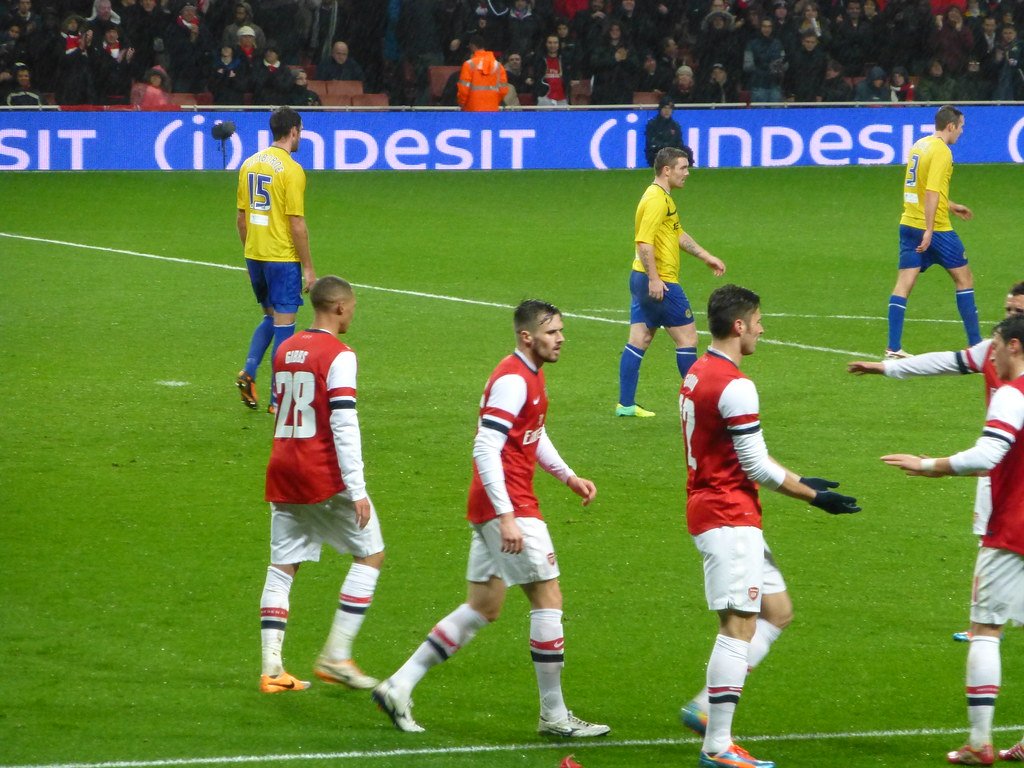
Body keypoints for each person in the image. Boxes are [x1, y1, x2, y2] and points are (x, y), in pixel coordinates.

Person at [371, 299, 610, 739]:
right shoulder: (514, 381)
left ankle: (397, 686)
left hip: (496, 504)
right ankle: (554, 716)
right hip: (510, 505)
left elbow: (531, 434)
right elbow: (485, 446)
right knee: (548, 599)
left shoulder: (527, 377)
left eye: (560, 330)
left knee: (484, 606)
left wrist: (568, 476)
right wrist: (507, 517)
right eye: (552, 332)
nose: (561, 338)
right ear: (527, 337)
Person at [678, 284, 860, 768]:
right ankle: (717, 745)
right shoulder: (737, 385)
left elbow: (740, 454)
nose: (761, 327)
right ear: (739, 325)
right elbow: (755, 467)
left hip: (715, 506)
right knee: (737, 626)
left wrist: (801, 478)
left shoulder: (698, 371)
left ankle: (703, 706)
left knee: (775, 611)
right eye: (757, 319)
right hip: (728, 514)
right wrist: (815, 497)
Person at [881, 313, 1024, 766]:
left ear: (1015, 347)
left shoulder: (1011, 396)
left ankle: (980, 741)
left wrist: (927, 466)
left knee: (985, 629)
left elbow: (987, 455)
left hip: (1013, 530)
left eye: (997, 347)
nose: (991, 356)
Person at [849, 282, 1024, 641]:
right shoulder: (995, 351)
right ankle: (988, 620)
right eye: (1008, 311)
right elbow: (947, 361)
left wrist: (933, 466)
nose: (1009, 319)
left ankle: (988, 626)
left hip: (1000, 459)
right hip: (999, 462)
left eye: (1017, 313)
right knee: (991, 533)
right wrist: (887, 368)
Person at [258, 275, 384, 694]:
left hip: (283, 467)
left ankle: (273, 670)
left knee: (282, 568)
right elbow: (344, 423)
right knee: (370, 554)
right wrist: (358, 487)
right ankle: (336, 655)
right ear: (340, 308)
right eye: (353, 306)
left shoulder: (286, 348)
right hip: (322, 474)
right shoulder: (340, 355)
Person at [616, 146, 726, 418]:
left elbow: (677, 234)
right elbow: (643, 241)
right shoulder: (655, 200)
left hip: (641, 278)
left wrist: (705, 256)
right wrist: (655, 278)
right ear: (667, 170)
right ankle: (699, 406)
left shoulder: (663, 198)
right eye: (683, 167)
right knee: (687, 338)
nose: (687, 173)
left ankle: (626, 405)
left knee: (640, 338)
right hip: (660, 281)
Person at [235, 107, 317, 414]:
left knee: (269, 317)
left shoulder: (249, 163)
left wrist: (250, 253)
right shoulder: (291, 170)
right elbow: (297, 224)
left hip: (255, 255)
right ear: (294, 130)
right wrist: (308, 268)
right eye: (301, 131)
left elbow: (241, 218)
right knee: (285, 327)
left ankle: (248, 371)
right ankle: (278, 399)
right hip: (282, 259)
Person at [884, 104, 979, 359]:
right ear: (951, 126)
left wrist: (951, 205)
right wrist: (929, 230)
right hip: (935, 229)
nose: (961, 132)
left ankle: (893, 348)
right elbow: (931, 191)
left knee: (903, 285)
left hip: (908, 223)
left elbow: (921, 188)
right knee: (964, 279)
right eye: (961, 127)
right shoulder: (942, 151)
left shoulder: (920, 145)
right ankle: (977, 345)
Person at [457, 34, 509, 111]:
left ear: (472, 46)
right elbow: (503, 89)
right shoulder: (498, 65)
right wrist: (493, 101)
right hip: (492, 108)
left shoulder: (468, 64)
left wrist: (462, 103)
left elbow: (463, 90)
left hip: (472, 108)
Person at [644, 95, 687, 166]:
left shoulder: (675, 125)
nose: (667, 111)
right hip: (657, 153)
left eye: (669, 108)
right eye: (664, 108)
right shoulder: (652, 124)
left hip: (672, 154)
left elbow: (679, 142)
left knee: (686, 152)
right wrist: (666, 147)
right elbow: (651, 142)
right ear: (660, 109)